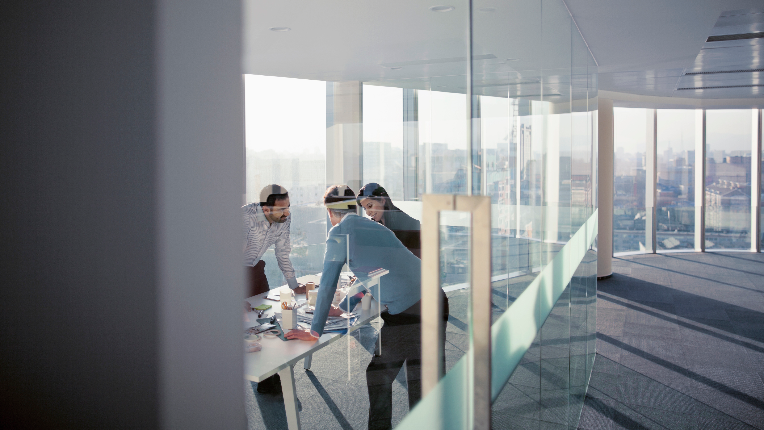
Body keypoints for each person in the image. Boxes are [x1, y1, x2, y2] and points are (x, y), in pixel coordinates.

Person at [286, 185, 449, 430]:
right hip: (436, 299)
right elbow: (374, 273)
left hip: (409, 312)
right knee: (421, 379)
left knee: (379, 375)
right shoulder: (375, 227)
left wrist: (315, 331)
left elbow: (329, 281)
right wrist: (344, 306)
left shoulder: (339, 233)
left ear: (330, 212)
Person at [243, 184, 305, 395]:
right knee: (245, 322)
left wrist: (294, 285)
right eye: (281, 209)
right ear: (265, 209)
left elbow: (283, 253)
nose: (287, 213)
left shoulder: (283, 219)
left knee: (267, 318)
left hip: (255, 268)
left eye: (288, 206)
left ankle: (269, 378)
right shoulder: (245, 218)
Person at [357, 182, 421, 258]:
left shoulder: (404, 224)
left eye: (370, 206)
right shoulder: (377, 225)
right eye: (365, 209)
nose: (368, 213)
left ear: (382, 201)